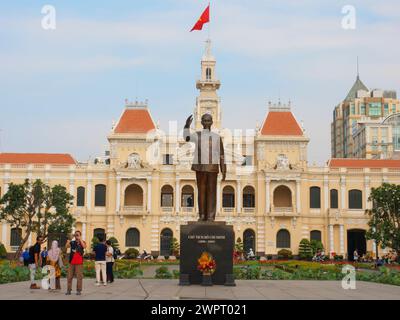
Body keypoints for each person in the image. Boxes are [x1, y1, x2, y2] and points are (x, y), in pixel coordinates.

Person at [183, 113, 226, 221]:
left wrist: (223, 170)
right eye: (205, 120)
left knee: (212, 192)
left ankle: (211, 216)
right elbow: (186, 138)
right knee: (201, 192)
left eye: (208, 120)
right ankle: (202, 215)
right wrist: (186, 126)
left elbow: (221, 154)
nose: (206, 122)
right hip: (200, 167)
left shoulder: (217, 137)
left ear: (212, 122)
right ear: (201, 122)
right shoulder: (197, 135)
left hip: (212, 168)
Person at [66, 230, 86, 295]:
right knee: (69, 276)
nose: (76, 236)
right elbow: (67, 246)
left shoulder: (82, 242)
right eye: (75, 235)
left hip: (79, 262)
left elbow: (84, 247)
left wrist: (80, 239)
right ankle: (69, 290)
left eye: (78, 235)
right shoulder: (72, 242)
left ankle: (79, 290)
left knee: (79, 277)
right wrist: (69, 240)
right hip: (71, 262)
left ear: (80, 235)